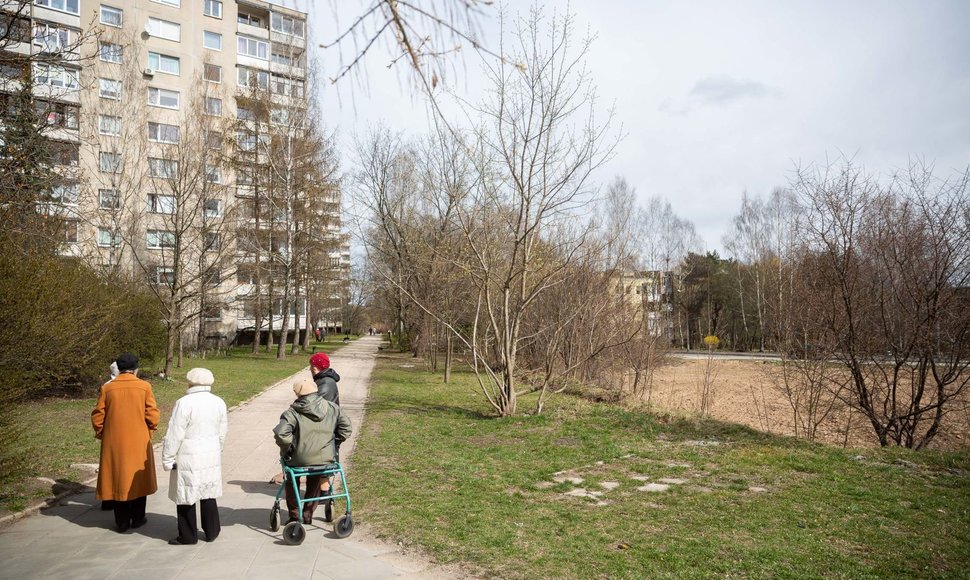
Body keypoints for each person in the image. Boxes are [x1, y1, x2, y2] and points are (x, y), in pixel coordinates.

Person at [91, 353, 159, 533]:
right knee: (138, 478)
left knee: (117, 478)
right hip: (139, 440)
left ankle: (121, 522)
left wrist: (103, 434)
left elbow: (98, 416)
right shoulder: (144, 386)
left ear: (119, 369)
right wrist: (149, 431)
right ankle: (138, 518)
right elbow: (152, 414)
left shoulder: (107, 388)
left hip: (114, 442)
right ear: (136, 369)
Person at [161, 368, 228, 545]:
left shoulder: (184, 403)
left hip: (188, 455)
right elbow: (222, 431)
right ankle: (212, 530)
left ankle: (188, 535)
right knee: (208, 492)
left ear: (190, 382)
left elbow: (175, 433)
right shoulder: (218, 402)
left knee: (185, 494)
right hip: (210, 453)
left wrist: (168, 458)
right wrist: (218, 449)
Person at [273, 378, 351, 524]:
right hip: (325, 457)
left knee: (291, 478)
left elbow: (281, 434)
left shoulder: (292, 412)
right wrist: (334, 443)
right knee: (315, 476)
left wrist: (288, 448)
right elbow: (346, 428)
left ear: (297, 394)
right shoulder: (332, 407)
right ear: (316, 390)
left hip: (299, 458)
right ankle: (308, 513)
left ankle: (295, 515)